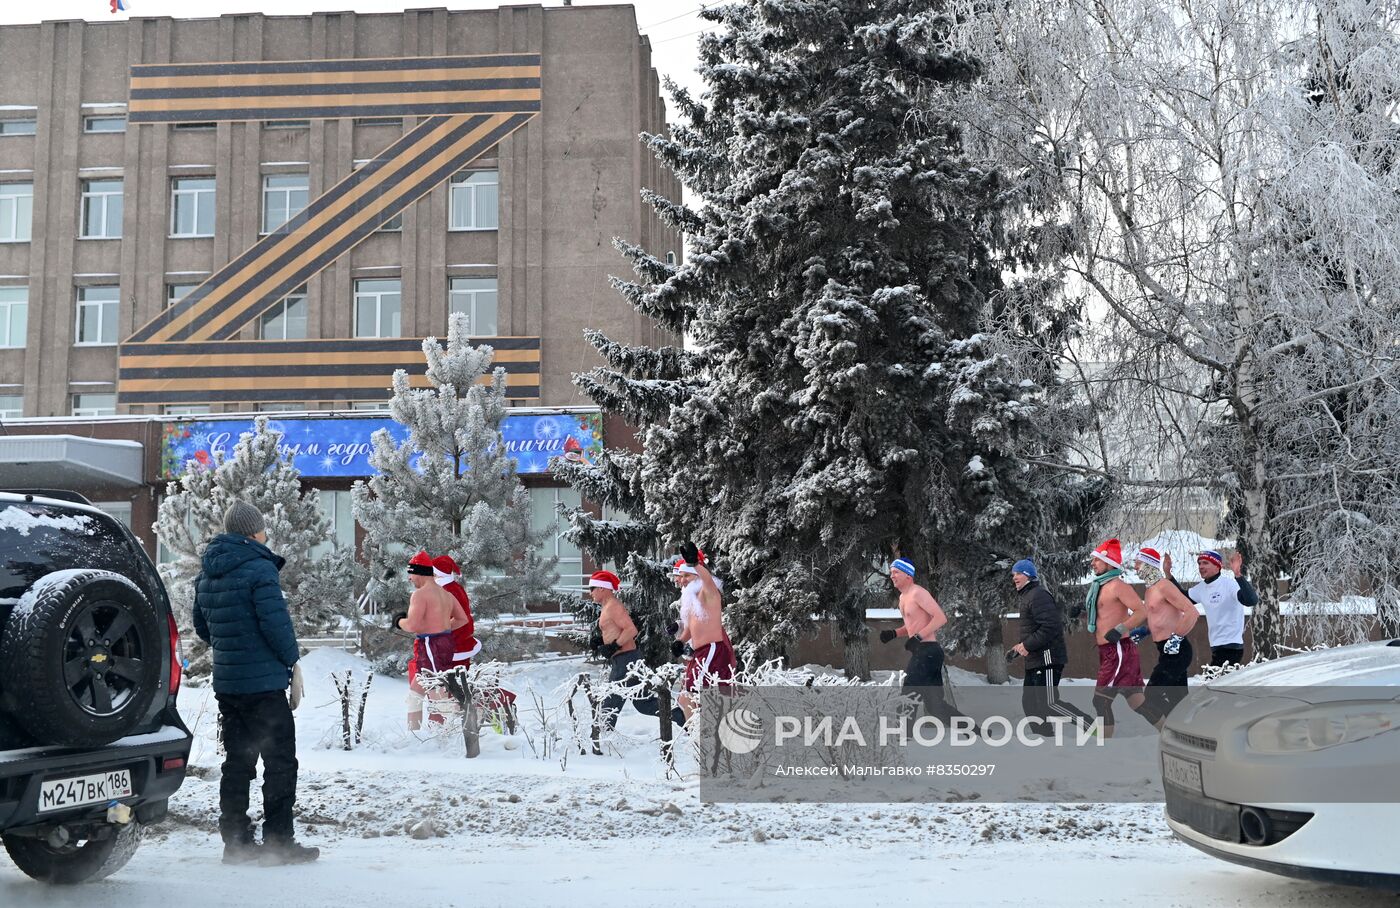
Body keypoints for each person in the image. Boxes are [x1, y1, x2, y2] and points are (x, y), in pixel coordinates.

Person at [193, 500, 319, 866]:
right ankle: (279, 842)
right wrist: (291, 662)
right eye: (263, 529)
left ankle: (236, 843)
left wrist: (234, 646)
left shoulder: (207, 572)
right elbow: (275, 624)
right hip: (263, 686)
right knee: (280, 762)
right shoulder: (258, 569)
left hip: (229, 685)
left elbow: (203, 628)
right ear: (253, 532)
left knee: (238, 762)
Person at [1008, 559, 1095, 735]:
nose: (1014, 577)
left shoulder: (1038, 595)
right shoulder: (1028, 596)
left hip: (1047, 657)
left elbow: (1050, 627)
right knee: (1031, 704)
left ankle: (1092, 727)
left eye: (1018, 573)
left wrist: (1027, 645)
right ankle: (1045, 739)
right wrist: (1018, 649)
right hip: (1035, 658)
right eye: (1013, 574)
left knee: (1049, 703)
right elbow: (1033, 630)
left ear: (1029, 575)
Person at [592, 570, 685, 729]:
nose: (590, 593)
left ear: (602, 588)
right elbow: (617, 631)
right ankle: (683, 718)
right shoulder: (607, 606)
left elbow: (631, 630)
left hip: (625, 661)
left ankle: (601, 738)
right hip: (628, 659)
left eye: (592, 588)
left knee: (611, 701)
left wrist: (614, 646)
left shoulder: (613, 606)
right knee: (645, 704)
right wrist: (601, 641)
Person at [877, 558, 960, 722]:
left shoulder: (918, 592)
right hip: (924, 653)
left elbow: (940, 618)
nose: (892, 576)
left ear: (908, 575)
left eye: (896, 572)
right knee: (935, 707)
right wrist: (893, 633)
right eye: (891, 572)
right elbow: (913, 626)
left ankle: (904, 739)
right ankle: (979, 732)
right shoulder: (903, 598)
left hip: (928, 651)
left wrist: (918, 637)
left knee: (908, 696)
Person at [1083, 538, 1150, 738]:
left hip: (1118, 649)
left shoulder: (1118, 585)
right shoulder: (1099, 586)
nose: (1092, 564)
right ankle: (1167, 731)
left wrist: (1120, 629)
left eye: (1096, 560)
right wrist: (1081, 612)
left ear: (1109, 562)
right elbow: (1104, 615)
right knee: (1136, 701)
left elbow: (1141, 611)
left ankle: (1104, 746)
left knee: (1100, 701)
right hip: (1109, 650)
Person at [1133, 547, 1200, 728]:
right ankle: (1187, 731)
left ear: (1148, 565)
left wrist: (1176, 638)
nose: (1135, 567)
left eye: (1138, 563)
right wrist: (1144, 631)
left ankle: (1171, 729)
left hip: (1177, 650)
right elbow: (1159, 617)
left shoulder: (1164, 586)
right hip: (1165, 650)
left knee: (1151, 696)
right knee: (1179, 701)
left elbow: (1192, 612)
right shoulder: (1149, 590)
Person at [401, 550, 466, 730]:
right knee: (415, 694)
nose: (409, 579)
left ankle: (467, 721)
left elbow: (412, 625)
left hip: (431, 646)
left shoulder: (420, 595)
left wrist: (398, 621)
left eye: (411, 573)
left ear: (419, 573)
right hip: (441, 644)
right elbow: (462, 619)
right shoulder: (446, 594)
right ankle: (412, 735)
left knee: (437, 691)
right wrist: (441, 629)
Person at [1164, 549, 1257, 668]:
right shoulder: (1201, 588)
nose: (1201, 566)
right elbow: (1182, 598)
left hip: (1232, 646)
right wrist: (1168, 574)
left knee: (1213, 682)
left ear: (1217, 566)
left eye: (1206, 563)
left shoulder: (1229, 585)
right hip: (1215, 646)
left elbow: (1251, 601)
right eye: (1199, 563)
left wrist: (1238, 575)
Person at [674, 543, 736, 720]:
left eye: (686, 575)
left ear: (697, 575)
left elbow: (707, 579)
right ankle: (701, 736)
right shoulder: (693, 598)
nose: (682, 580)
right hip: (700, 653)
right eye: (681, 576)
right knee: (687, 697)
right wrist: (680, 641)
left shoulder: (708, 591)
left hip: (712, 651)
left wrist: (696, 564)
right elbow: (691, 628)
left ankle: (703, 736)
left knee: (692, 694)